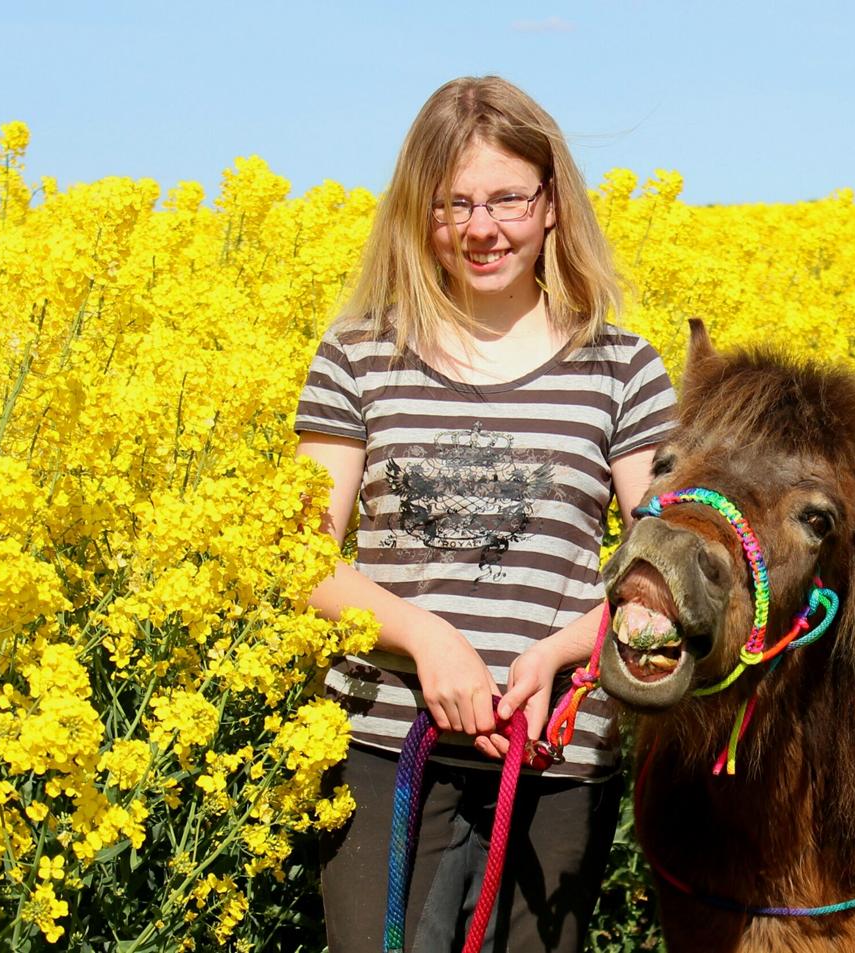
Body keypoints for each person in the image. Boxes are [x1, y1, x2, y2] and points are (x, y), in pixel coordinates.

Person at [293, 75, 676, 953]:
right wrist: (426, 640)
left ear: (550, 206)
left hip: (556, 755)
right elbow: (300, 556)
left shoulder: (624, 369)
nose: (481, 227)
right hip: (388, 748)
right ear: (417, 216)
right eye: (452, 203)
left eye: (507, 198)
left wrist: (561, 654)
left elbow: (662, 571)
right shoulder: (358, 354)